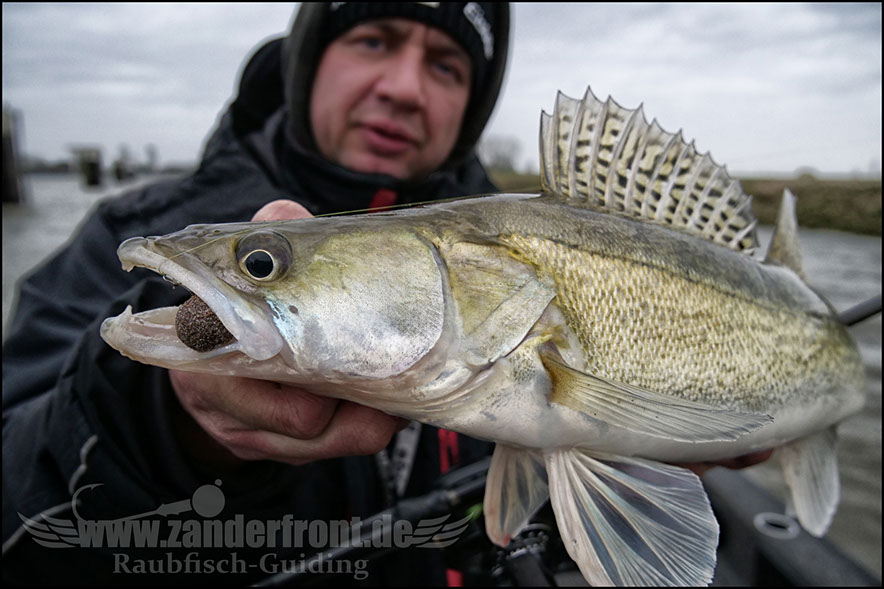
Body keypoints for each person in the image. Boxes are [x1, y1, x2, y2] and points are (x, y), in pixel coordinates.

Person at [3, 3, 769, 585]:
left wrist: (650, 453)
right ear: (309, 60)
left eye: (446, 65)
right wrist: (154, 420)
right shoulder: (130, 230)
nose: (404, 87)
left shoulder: (543, 240)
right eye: (374, 39)